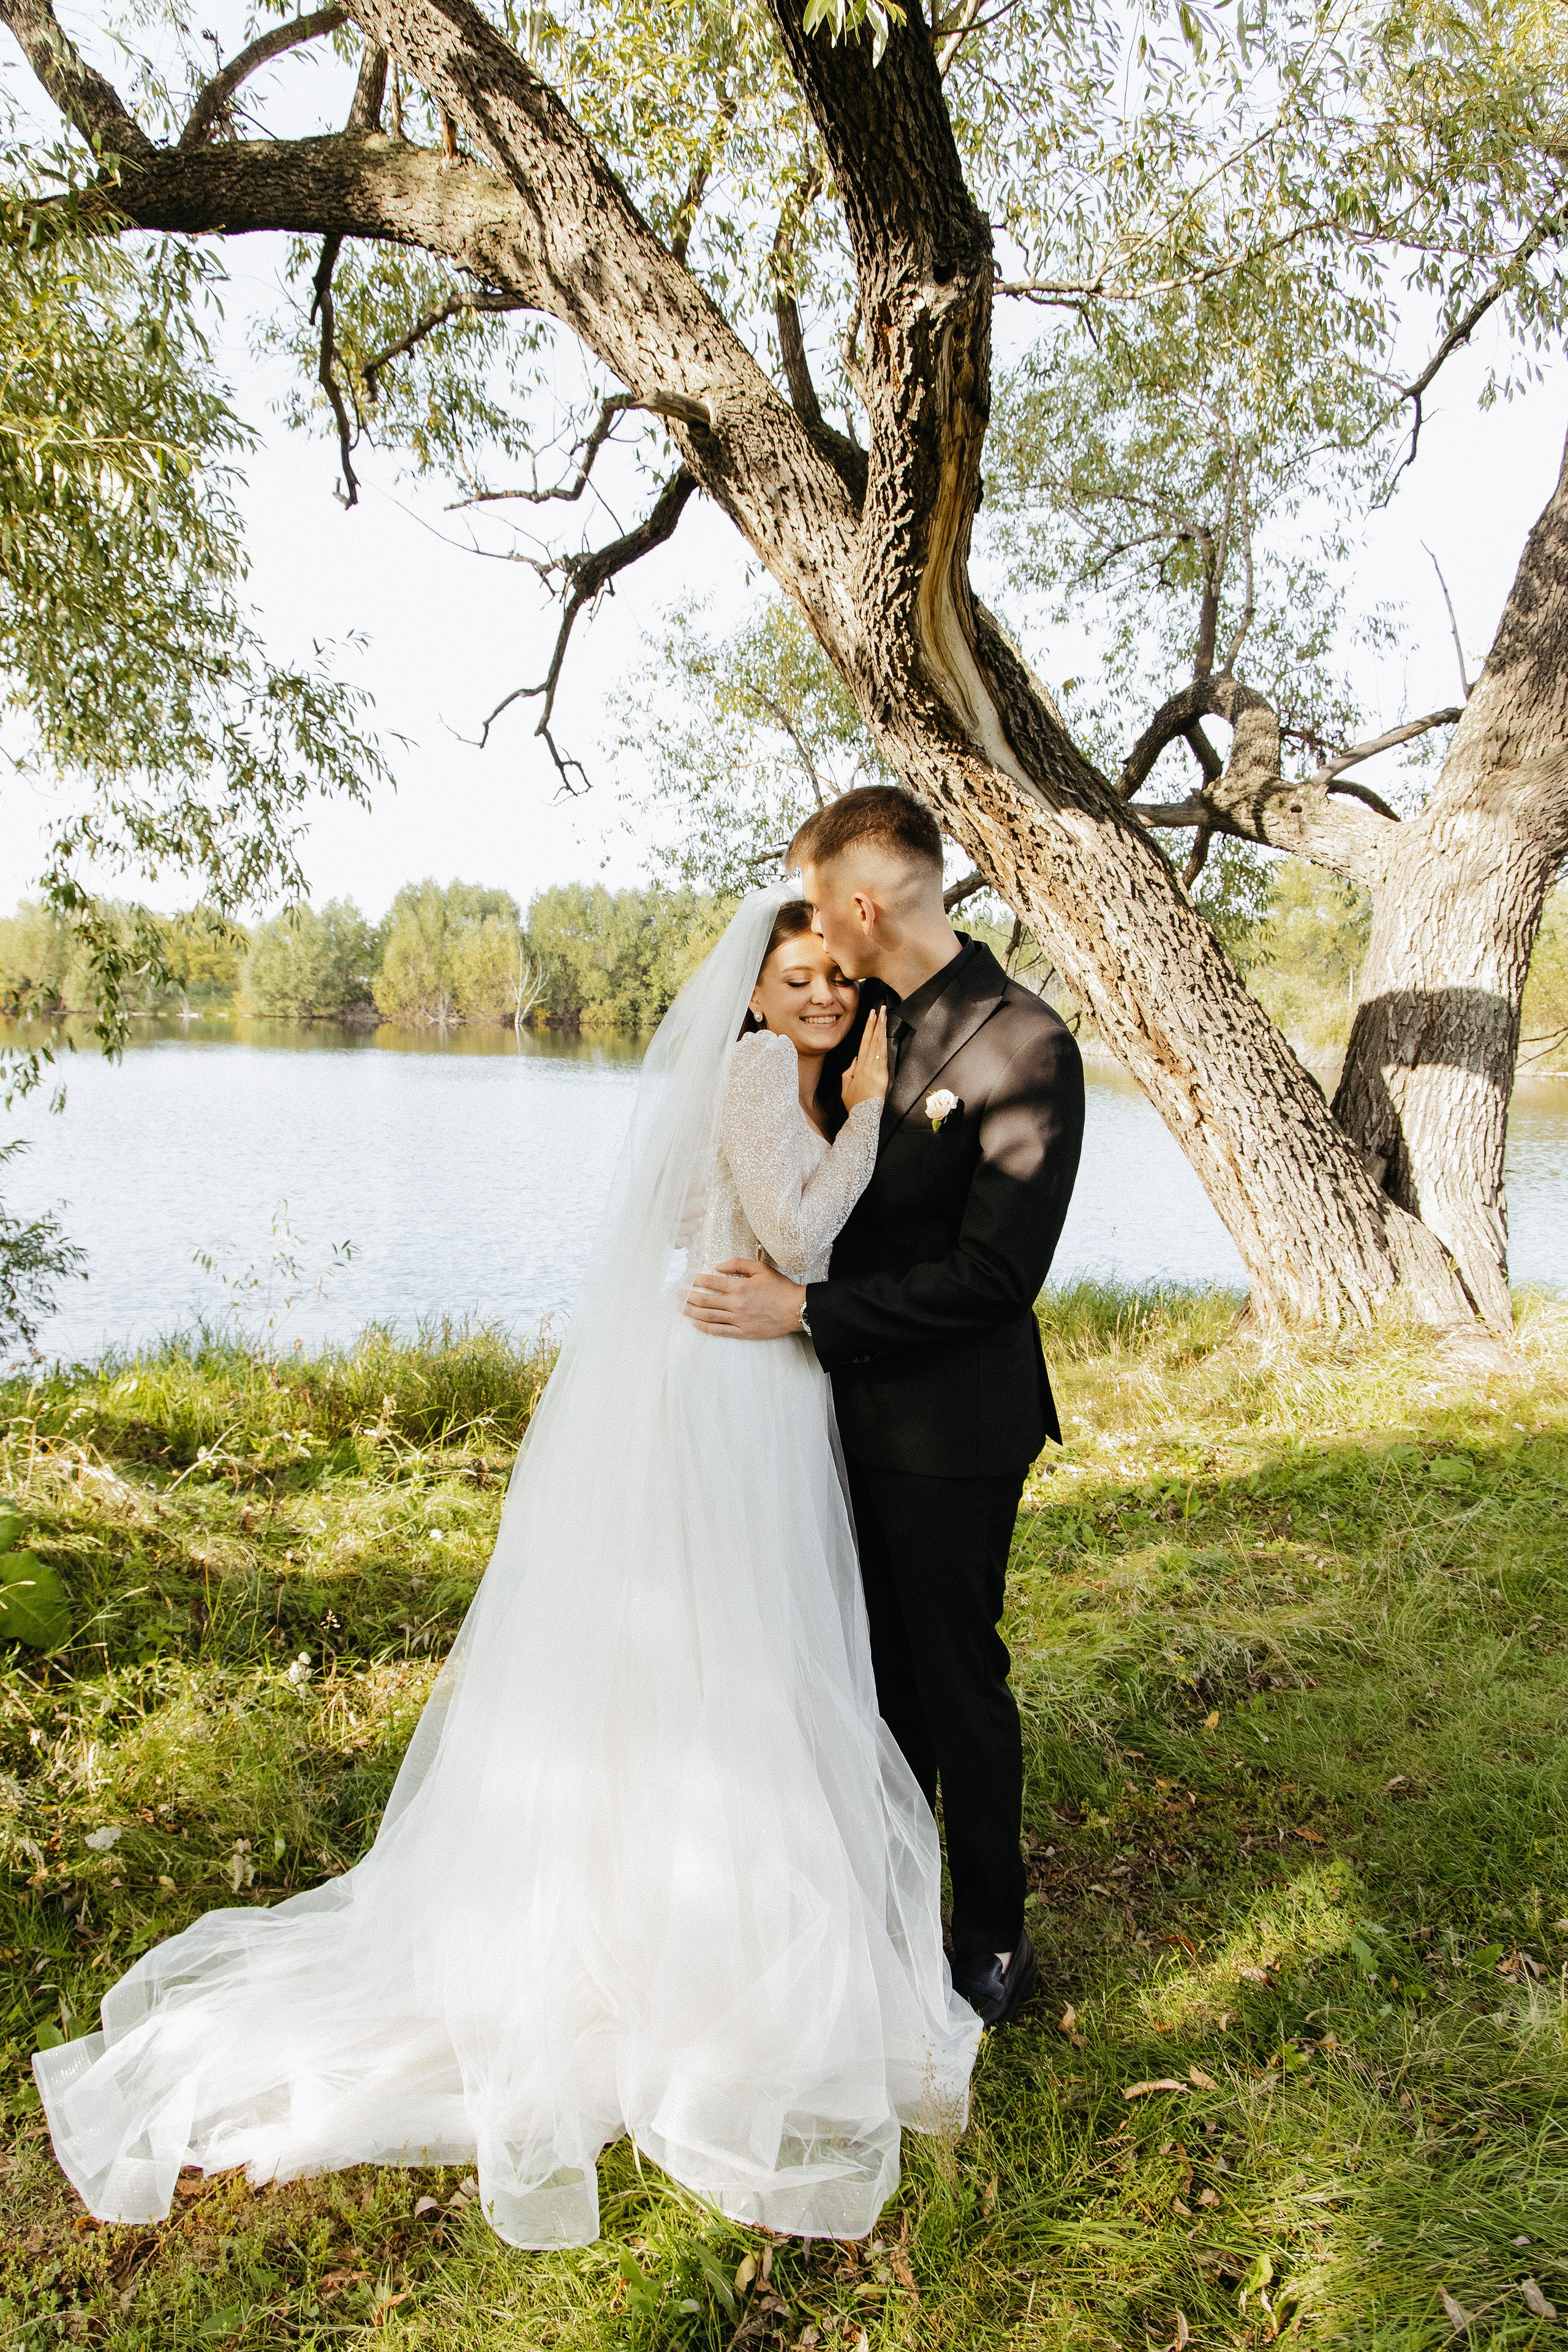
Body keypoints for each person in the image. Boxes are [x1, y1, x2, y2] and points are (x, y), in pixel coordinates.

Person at [34, 886, 981, 2250]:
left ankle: (698, 1901)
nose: (824, 997)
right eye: (797, 979)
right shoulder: (757, 1070)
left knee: (723, 1662)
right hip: (730, 1386)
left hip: (736, 1377)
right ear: (754, 992)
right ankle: (691, 1938)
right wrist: (879, 1111)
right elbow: (798, 1243)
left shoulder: (778, 1076)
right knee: (731, 1655)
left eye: (837, 976)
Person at [685, 788, 1085, 2027]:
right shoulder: (858, 1019)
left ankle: (993, 1939)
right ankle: (883, 1908)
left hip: (949, 1428)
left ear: (860, 905)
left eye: (818, 908)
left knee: (952, 1680)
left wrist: (806, 1311)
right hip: (825, 1414)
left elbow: (995, 1275)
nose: (810, 935)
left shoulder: (1024, 1048)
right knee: (866, 1680)